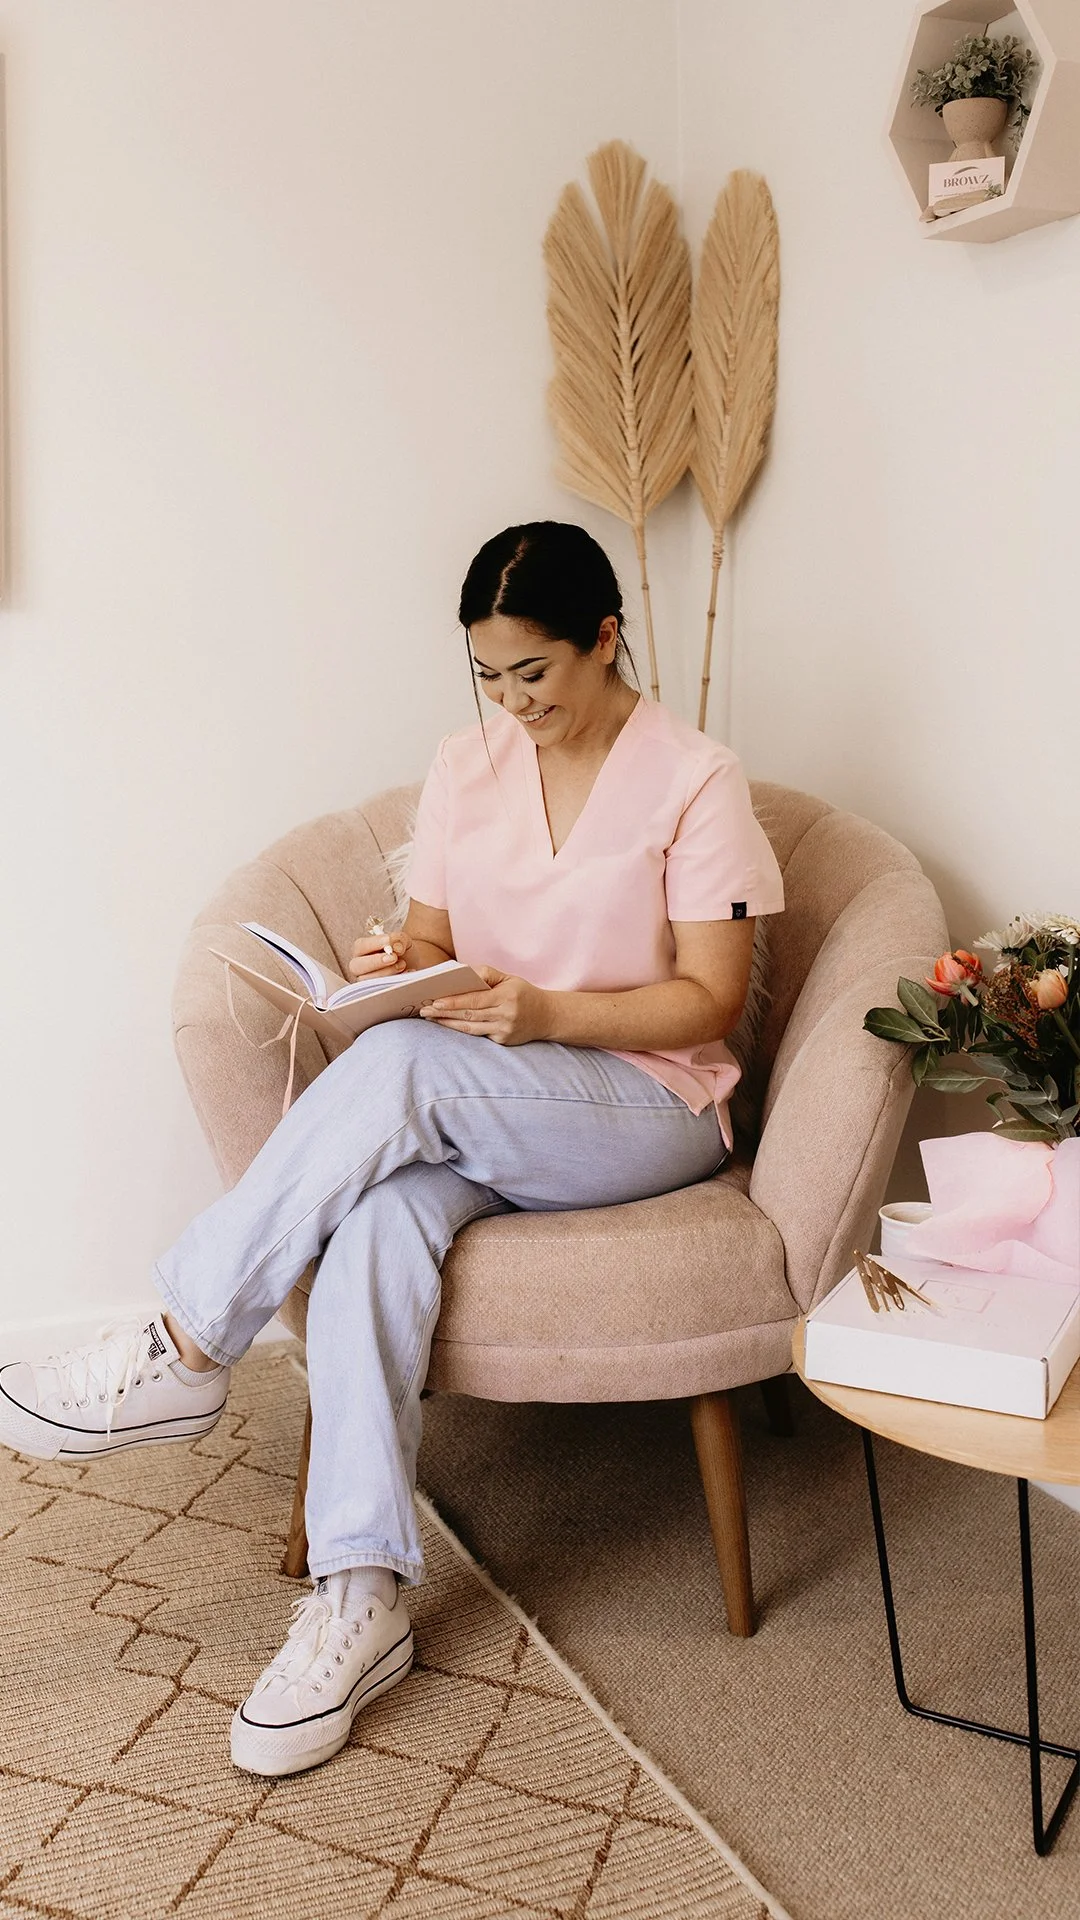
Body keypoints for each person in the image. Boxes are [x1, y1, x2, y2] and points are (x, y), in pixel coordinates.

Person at [0, 521, 784, 1779]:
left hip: (647, 1108)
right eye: (489, 675)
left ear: (605, 639)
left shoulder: (697, 778)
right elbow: (429, 944)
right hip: (495, 1101)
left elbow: (707, 999)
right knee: (378, 1219)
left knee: (406, 1069)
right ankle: (360, 1598)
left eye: (536, 673)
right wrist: (393, 969)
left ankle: (186, 1343)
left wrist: (545, 1014)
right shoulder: (465, 767)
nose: (513, 703)